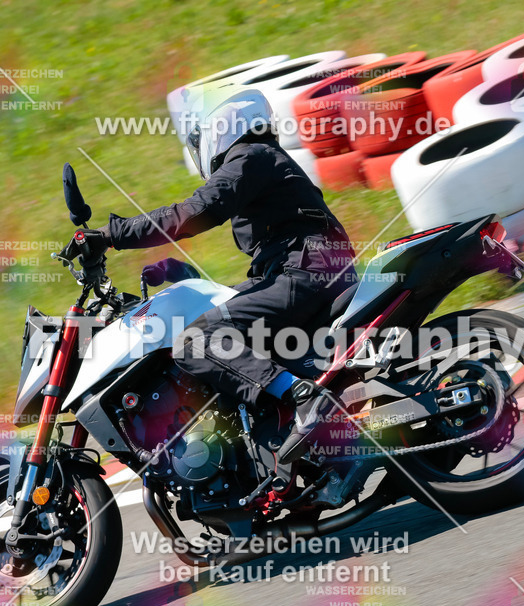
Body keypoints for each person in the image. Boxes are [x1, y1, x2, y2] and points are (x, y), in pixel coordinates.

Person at [62, 89, 355, 465]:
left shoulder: (250, 156)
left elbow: (192, 213)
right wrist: (186, 277)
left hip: (305, 272)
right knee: (214, 325)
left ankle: (304, 398)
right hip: (305, 271)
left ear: (220, 127)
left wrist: (109, 235)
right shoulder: (264, 160)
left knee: (193, 343)